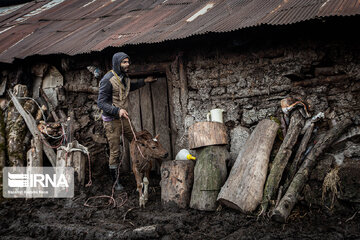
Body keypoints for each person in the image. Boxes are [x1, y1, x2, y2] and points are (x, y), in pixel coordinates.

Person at [97, 52, 156, 190]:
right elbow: (101, 103)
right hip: (111, 120)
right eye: (124, 62)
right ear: (117, 63)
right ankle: (115, 181)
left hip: (123, 118)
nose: (127, 64)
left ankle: (141, 169)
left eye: (128, 62)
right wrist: (117, 111)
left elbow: (129, 88)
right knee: (115, 152)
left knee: (137, 140)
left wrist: (144, 82)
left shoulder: (125, 77)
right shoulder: (107, 80)